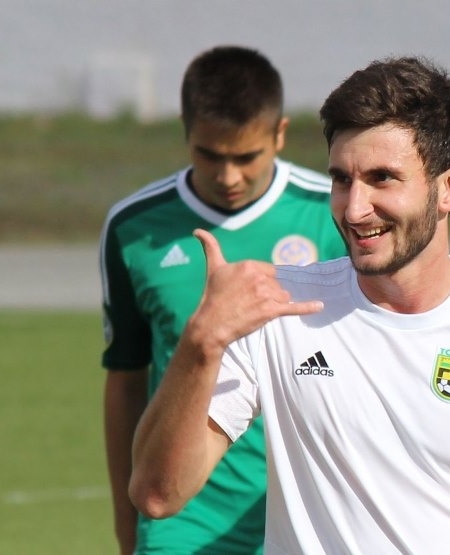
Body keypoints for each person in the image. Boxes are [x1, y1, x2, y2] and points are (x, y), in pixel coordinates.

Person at [129, 56, 450, 554]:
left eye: (382, 178)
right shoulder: (277, 309)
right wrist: (200, 343)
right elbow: (158, 495)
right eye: (342, 179)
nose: (355, 209)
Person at [100, 45, 346, 555]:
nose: (228, 176)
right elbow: (125, 381)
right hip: (181, 520)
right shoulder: (133, 228)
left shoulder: (334, 214)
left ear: (279, 133)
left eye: (246, 157)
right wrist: (128, 527)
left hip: (306, 510)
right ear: (186, 132)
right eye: (210, 155)